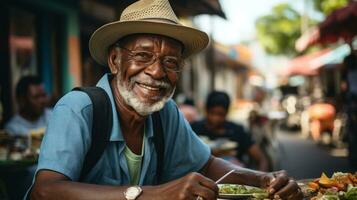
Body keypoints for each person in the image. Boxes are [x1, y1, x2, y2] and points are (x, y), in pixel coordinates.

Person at [28, 0, 303, 199]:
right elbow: (46, 190)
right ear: (115, 60)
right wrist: (153, 194)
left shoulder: (165, 113)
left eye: (170, 61)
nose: (157, 72)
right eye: (143, 56)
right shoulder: (79, 109)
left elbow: (206, 165)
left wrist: (264, 179)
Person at [191, 91, 270, 172]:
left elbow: (261, 159)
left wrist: (261, 177)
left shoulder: (237, 131)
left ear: (227, 113)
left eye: (220, 114)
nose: (215, 118)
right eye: (212, 113)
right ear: (206, 110)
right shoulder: (195, 129)